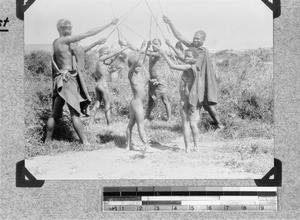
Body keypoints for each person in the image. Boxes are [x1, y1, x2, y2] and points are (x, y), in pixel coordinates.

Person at [45, 18, 118, 146]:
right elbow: (87, 34)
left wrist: (96, 43)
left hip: (60, 80)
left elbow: (80, 50)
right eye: (67, 27)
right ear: (60, 29)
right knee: (75, 114)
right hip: (68, 80)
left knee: (55, 114)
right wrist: (109, 24)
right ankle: (85, 142)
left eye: (70, 26)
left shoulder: (57, 42)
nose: (70, 28)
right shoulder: (63, 40)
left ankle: (47, 141)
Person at [163, 16, 224, 130]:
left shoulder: (201, 52)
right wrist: (170, 22)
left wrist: (170, 48)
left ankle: (209, 125)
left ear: (203, 40)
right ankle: (217, 124)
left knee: (200, 104)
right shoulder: (193, 47)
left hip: (200, 82)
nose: (195, 40)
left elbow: (186, 61)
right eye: (194, 38)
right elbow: (179, 36)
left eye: (198, 39)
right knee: (204, 104)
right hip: (196, 80)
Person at [160, 47, 201, 153]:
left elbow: (172, 66)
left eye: (189, 56)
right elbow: (182, 58)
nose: (186, 58)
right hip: (193, 99)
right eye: (185, 56)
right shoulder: (195, 66)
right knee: (192, 123)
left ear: (195, 58)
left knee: (185, 124)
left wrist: (163, 54)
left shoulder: (188, 66)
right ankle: (196, 147)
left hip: (185, 99)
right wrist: (171, 46)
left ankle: (187, 148)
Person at [89, 39, 130, 126]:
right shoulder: (100, 59)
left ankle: (90, 123)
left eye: (106, 53)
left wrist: (117, 55)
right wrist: (125, 47)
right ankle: (109, 124)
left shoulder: (102, 63)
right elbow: (112, 54)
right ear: (100, 54)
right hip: (103, 85)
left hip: (98, 85)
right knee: (107, 105)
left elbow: (111, 60)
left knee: (97, 104)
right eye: (104, 53)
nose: (106, 54)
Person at [126, 41, 157, 152]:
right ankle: (146, 145)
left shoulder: (139, 75)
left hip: (138, 103)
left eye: (139, 66)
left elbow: (141, 61)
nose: (138, 68)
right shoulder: (131, 75)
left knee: (131, 124)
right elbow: (135, 63)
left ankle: (128, 144)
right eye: (136, 66)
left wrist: (147, 47)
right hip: (136, 103)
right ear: (131, 66)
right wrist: (141, 48)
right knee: (140, 124)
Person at [144, 38, 171, 121]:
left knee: (165, 100)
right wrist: (147, 46)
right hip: (152, 80)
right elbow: (146, 53)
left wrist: (146, 48)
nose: (155, 46)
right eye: (154, 45)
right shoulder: (152, 54)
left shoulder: (160, 53)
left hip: (160, 80)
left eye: (157, 44)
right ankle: (147, 117)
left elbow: (148, 53)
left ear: (160, 45)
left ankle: (169, 118)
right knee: (150, 101)